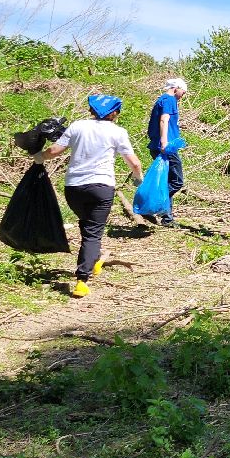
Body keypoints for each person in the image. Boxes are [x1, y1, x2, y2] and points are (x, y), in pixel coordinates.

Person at [35, 95, 142, 298]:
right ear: (115, 113)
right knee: (93, 233)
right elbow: (134, 163)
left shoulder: (77, 126)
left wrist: (38, 158)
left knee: (87, 225)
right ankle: (82, 280)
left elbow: (55, 150)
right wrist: (139, 180)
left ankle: (92, 261)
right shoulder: (118, 132)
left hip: (73, 188)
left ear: (92, 111)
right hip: (101, 188)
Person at [146, 77, 188, 228]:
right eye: (183, 90)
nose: (184, 94)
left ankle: (167, 218)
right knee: (177, 181)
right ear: (176, 87)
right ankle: (152, 204)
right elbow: (164, 120)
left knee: (166, 180)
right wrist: (164, 142)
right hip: (165, 146)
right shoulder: (169, 99)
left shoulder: (161, 100)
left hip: (158, 145)